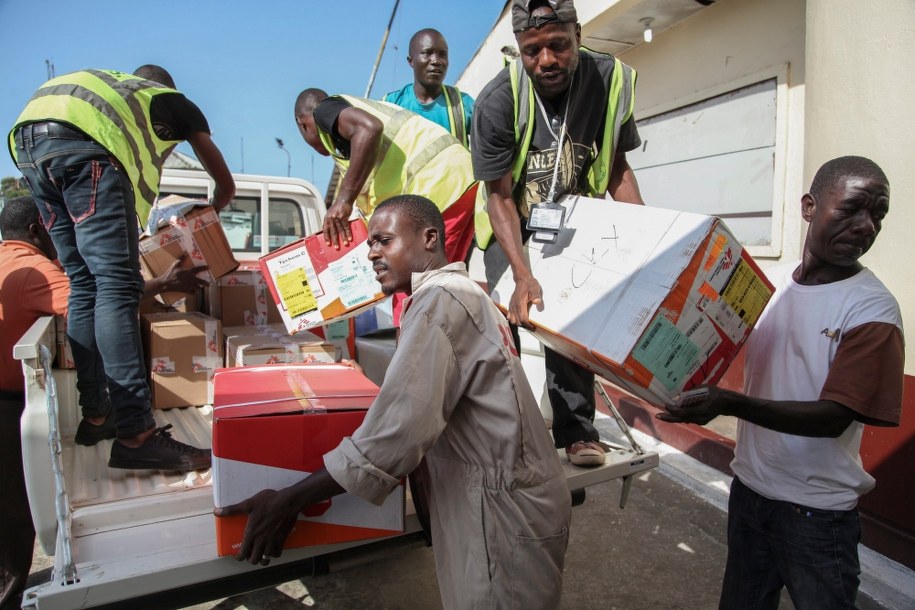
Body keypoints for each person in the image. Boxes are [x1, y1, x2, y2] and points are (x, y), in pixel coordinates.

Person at [216, 195, 572, 609]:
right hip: (501, 498)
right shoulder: (457, 293)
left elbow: (395, 434)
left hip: (501, 510)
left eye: (383, 241)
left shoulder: (441, 301)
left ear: (429, 238)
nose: (371, 254)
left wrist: (288, 501)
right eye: (370, 243)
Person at [659, 156, 904, 609]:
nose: (866, 226)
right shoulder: (767, 284)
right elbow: (702, 332)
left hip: (817, 513)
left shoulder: (873, 310)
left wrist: (727, 403)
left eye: (878, 215)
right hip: (750, 492)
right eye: (851, 209)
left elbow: (834, 418)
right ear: (809, 207)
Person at [8, 64, 235, 471]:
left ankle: (96, 416)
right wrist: (214, 207)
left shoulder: (114, 91)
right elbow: (220, 175)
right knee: (117, 286)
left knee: (84, 284)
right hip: (83, 149)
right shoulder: (169, 100)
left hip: (28, 142)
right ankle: (137, 435)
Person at [0, 195, 213, 609]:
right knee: (11, 524)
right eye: (52, 228)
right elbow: (95, 303)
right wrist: (164, 285)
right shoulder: (34, 270)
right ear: (35, 231)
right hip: (6, 406)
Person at [471, 0, 644, 466]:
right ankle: (502, 432)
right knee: (510, 317)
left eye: (557, 46)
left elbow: (617, 168)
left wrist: (646, 240)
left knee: (568, 310)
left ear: (579, 36)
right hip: (511, 221)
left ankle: (577, 432)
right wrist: (523, 275)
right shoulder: (497, 100)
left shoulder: (610, 82)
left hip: (570, 216)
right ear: (520, 52)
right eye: (533, 51)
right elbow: (499, 196)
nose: (545, 60)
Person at [294, 88, 477, 324]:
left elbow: (369, 128)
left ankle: (413, 359)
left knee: (412, 290)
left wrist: (343, 201)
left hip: (439, 188)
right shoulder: (346, 139)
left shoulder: (324, 111)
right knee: (445, 289)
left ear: (302, 123)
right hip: (457, 185)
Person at [382, 28, 474, 147]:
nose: (436, 61)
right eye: (427, 53)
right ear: (411, 61)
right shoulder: (390, 104)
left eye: (443, 54)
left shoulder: (463, 104)